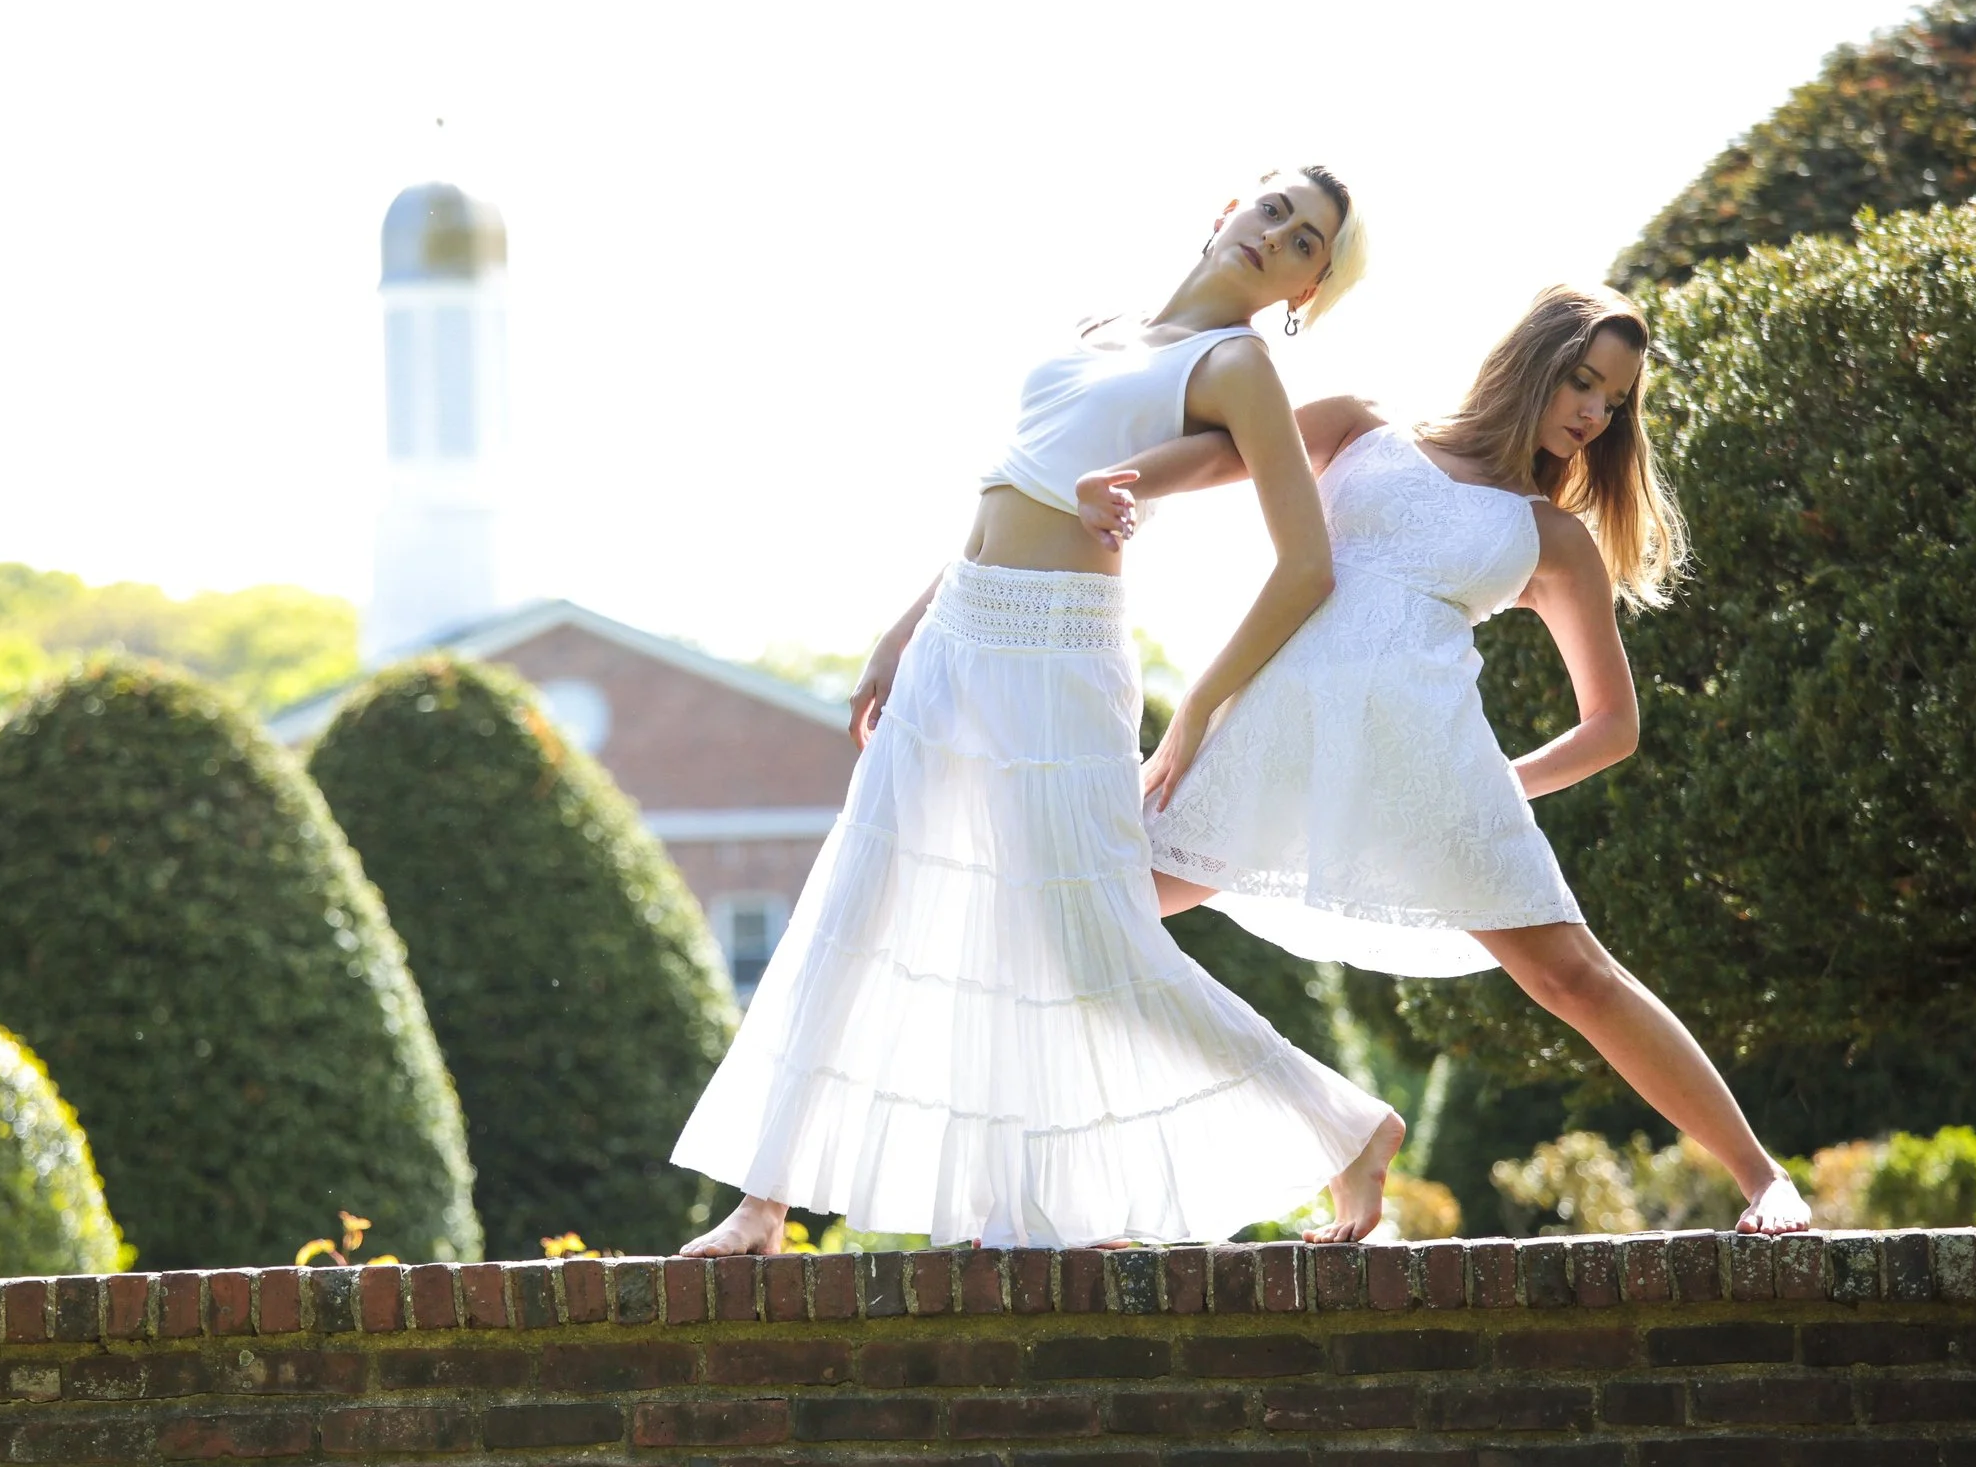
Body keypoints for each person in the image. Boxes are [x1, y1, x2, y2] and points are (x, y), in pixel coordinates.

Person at [674, 167, 1407, 1256]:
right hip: (956, 632)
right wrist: (900, 630)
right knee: (858, 903)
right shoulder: (1096, 325)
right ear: (1223, 208)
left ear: (1307, 288)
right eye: (1272, 210)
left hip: (1059, 654)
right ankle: (762, 1204)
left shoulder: (1237, 364)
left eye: (1307, 243)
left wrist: (1197, 711)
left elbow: (1306, 565)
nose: (1278, 237)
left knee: (1083, 940)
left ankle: (1343, 1125)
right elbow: (1015, 483)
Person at [1120, 282, 1809, 1234]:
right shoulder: (1360, 427)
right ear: (1533, 357)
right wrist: (1106, 484)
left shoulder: (1551, 536)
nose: (1593, 413)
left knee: (1575, 976)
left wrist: (1502, 782)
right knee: (1097, 904)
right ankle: (1332, 1131)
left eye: (1613, 401)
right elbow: (1210, 459)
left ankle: (1763, 1176)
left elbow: (1613, 725)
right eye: (1582, 381)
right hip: (1272, 737)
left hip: (1436, 773)